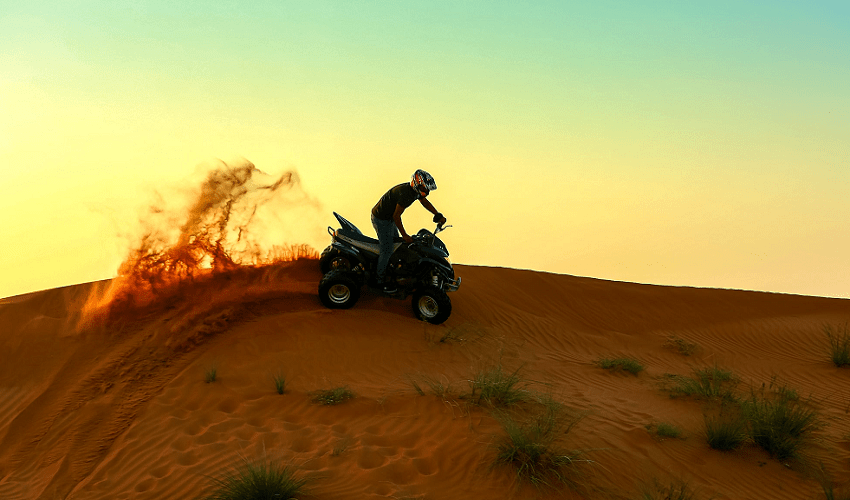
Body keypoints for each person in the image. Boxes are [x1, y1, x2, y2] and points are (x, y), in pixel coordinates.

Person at [371, 170, 447, 294]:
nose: (426, 191)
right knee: (387, 249)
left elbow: (424, 202)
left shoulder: (415, 192)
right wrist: (405, 235)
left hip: (389, 218)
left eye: (427, 189)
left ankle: (393, 272)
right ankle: (379, 281)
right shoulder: (405, 194)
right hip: (381, 219)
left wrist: (437, 214)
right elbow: (396, 216)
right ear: (417, 184)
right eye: (424, 188)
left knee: (397, 247)